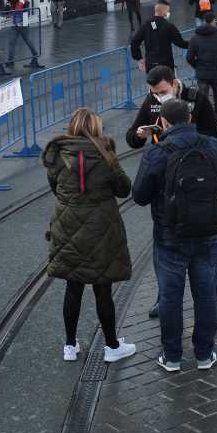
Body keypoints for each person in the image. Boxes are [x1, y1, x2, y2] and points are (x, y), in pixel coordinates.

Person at [133, 99, 217, 372]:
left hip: (169, 235)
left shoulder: (157, 151)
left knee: (170, 296)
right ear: (190, 117)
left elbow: (139, 195)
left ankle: (172, 357)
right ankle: (204, 354)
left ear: (163, 122)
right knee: (206, 293)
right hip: (207, 232)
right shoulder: (214, 145)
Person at [125, 66, 217, 319]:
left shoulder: (196, 98)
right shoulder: (152, 103)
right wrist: (139, 136)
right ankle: (165, 299)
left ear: (174, 83)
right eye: (154, 93)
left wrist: (184, 140)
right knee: (171, 255)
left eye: (162, 91)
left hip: (198, 181)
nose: (158, 97)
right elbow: (132, 137)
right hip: (166, 183)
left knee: (204, 246)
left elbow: (214, 135)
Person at [42, 108, 136, 364]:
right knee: (102, 289)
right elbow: (124, 189)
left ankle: (70, 345)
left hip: (68, 227)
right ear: (96, 128)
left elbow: (55, 187)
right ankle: (112, 346)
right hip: (101, 230)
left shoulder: (58, 155)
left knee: (73, 287)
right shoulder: (105, 154)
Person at [186, 11, 217, 126]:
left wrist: (197, 66)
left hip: (202, 74)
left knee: (202, 99)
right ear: (213, 21)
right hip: (216, 73)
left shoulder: (195, 38)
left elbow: (189, 57)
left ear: (204, 21)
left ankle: (203, 121)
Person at [129, 0, 188, 73]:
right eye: (168, 11)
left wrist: (139, 58)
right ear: (164, 12)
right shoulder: (169, 26)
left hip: (151, 65)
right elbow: (180, 43)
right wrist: (195, 43)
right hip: (166, 65)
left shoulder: (146, 24)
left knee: (153, 84)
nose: (168, 13)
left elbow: (134, 42)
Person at [3, 0, 40, 68]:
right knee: (11, 42)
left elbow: (27, 9)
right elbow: (6, 13)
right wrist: (7, 5)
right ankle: (10, 61)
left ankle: (35, 54)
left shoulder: (23, 1)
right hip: (15, 25)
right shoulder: (9, 2)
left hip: (23, 25)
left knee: (28, 41)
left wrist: (23, 18)